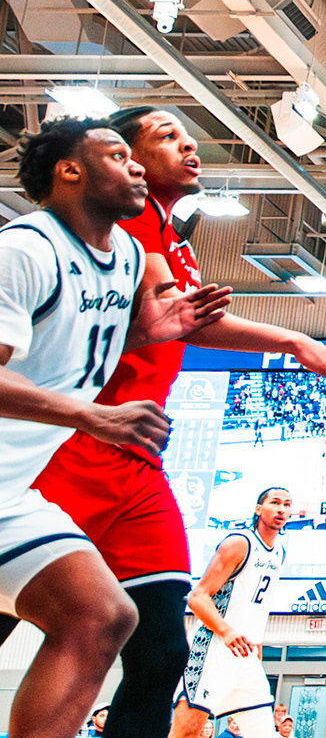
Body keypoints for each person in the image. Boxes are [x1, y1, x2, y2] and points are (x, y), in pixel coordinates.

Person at [1, 107, 326, 738]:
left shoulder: (149, 245)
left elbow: (159, 322)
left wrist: (159, 327)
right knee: (71, 617)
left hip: (134, 456)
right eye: (163, 137)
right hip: (70, 448)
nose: (189, 146)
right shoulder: (89, 232)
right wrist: (291, 340)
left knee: (152, 643)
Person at [0, 118, 231, 738]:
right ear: (69, 171)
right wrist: (90, 415)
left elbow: (75, 347)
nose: (134, 167)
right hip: (38, 469)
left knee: (105, 616)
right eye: (117, 154)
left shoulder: (126, 256)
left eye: (135, 156)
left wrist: (142, 334)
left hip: (15, 490)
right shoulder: (24, 249)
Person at [169, 487, 292, 738]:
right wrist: (226, 631)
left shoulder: (279, 552)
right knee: (185, 733)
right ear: (259, 509)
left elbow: (256, 608)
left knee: (265, 734)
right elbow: (197, 597)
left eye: (287, 504)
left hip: (246, 657)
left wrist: (257, 648)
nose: (281, 509)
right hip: (212, 648)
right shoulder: (239, 543)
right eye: (275, 502)